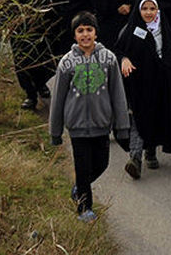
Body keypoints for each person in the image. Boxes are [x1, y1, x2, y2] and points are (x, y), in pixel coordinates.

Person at [49, 11, 130, 222]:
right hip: (77, 127)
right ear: (74, 35)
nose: (85, 34)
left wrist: (122, 125)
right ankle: (84, 208)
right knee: (82, 167)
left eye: (89, 30)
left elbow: (118, 94)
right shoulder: (67, 63)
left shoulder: (108, 59)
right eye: (80, 31)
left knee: (101, 163)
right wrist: (55, 131)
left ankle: (79, 187)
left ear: (96, 32)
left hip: (101, 124)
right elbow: (58, 99)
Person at [114, 0, 171, 178]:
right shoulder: (130, 30)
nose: (148, 12)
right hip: (140, 85)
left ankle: (150, 151)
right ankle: (135, 158)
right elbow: (119, 50)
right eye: (144, 8)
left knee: (157, 117)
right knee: (139, 118)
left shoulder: (165, 29)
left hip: (163, 84)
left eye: (152, 8)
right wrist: (124, 59)